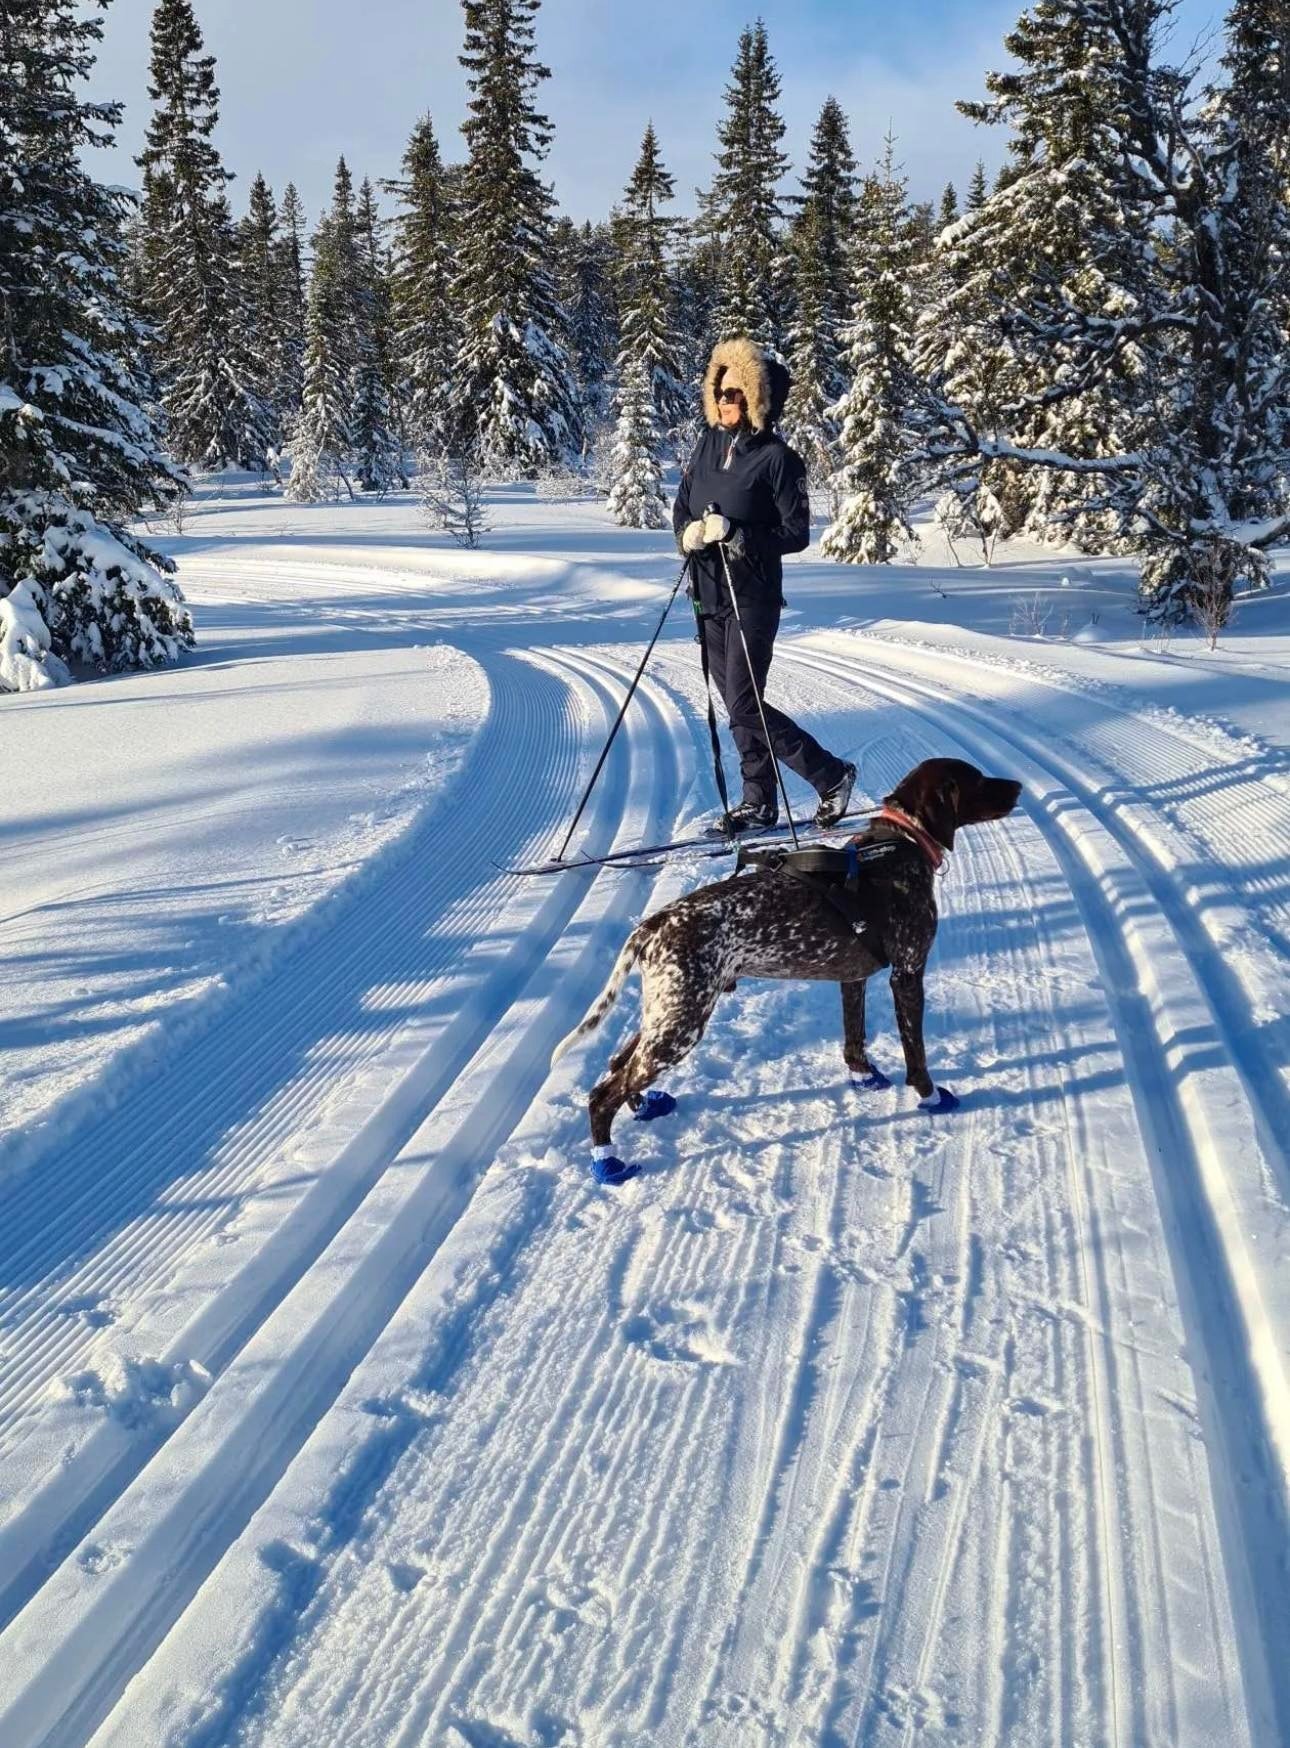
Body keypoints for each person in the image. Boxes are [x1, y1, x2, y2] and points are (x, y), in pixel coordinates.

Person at [673, 337, 856, 835]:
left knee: (745, 702)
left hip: (751, 597)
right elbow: (684, 503)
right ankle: (759, 801)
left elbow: (796, 533)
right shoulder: (708, 443)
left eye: (736, 395)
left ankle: (832, 775)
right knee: (738, 708)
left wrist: (737, 534)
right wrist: (686, 534)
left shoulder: (779, 459)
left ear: (757, 400)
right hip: (707, 593)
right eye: (721, 393)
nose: (725, 402)